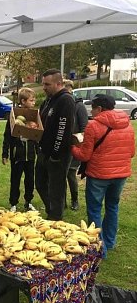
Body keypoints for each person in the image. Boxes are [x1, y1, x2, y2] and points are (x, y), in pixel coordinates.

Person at [71, 94, 135, 257]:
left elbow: (84, 156)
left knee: (94, 210)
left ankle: (100, 248)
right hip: (121, 175)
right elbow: (132, 152)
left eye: (92, 107)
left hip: (99, 175)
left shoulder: (93, 126)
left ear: (99, 109)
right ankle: (109, 241)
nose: (91, 111)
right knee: (113, 207)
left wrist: (72, 147)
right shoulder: (127, 124)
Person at [35, 69, 75, 220]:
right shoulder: (48, 100)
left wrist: (56, 154)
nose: (44, 87)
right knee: (39, 183)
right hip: (43, 150)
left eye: (47, 84)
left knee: (56, 188)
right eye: (43, 84)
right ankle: (51, 208)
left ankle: (55, 217)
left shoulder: (65, 100)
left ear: (59, 83)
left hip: (58, 155)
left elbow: (63, 129)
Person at [2, 87, 38, 212]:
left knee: (30, 180)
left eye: (34, 100)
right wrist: (5, 153)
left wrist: (38, 150)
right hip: (18, 155)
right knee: (15, 179)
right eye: (31, 100)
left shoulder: (34, 117)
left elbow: (37, 135)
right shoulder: (14, 116)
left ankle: (28, 202)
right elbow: (7, 135)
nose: (34, 103)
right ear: (23, 101)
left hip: (30, 155)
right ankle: (13, 203)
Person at [63, 79, 88, 210]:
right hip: (62, 145)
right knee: (61, 174)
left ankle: (74, 200)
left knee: (71, 174)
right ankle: (62, 202)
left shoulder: (79, 106)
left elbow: (84, 127)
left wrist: (78, 142)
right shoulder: (62, 104)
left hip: (74, 146)